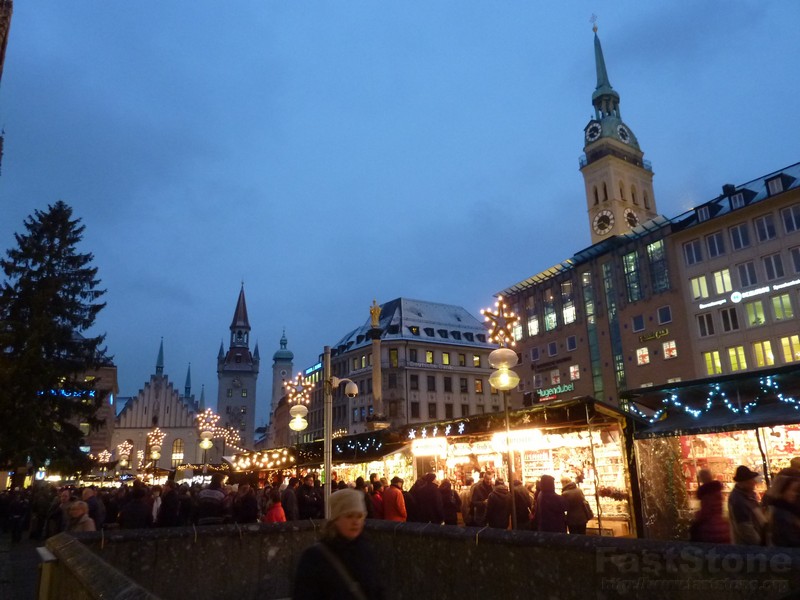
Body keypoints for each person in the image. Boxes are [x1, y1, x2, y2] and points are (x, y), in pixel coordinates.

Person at [293, 488, 384, 599]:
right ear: (336, 519)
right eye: (349, 516)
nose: (355, 522)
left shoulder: (366, 550)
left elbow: (378, 590)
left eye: (359, 516)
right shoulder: (315, 558)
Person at [728, 465, 765, 545]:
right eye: (751, 480)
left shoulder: (748, 495)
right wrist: (760, 543)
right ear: (744, 482)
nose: (754, 482)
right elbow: (745, 528)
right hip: (749, 546)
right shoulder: (738, 500)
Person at [689, 479, 730, 544]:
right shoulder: (704, 527)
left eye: (720, 498)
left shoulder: (700, 524)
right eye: (717, 498)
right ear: (707, 501)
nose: (720, 502)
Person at [766, 470, 800, 547]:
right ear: (782, 490)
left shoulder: (789, 508)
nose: (794, 494)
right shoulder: (781, 514)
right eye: (792, 490)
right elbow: (791, 541)